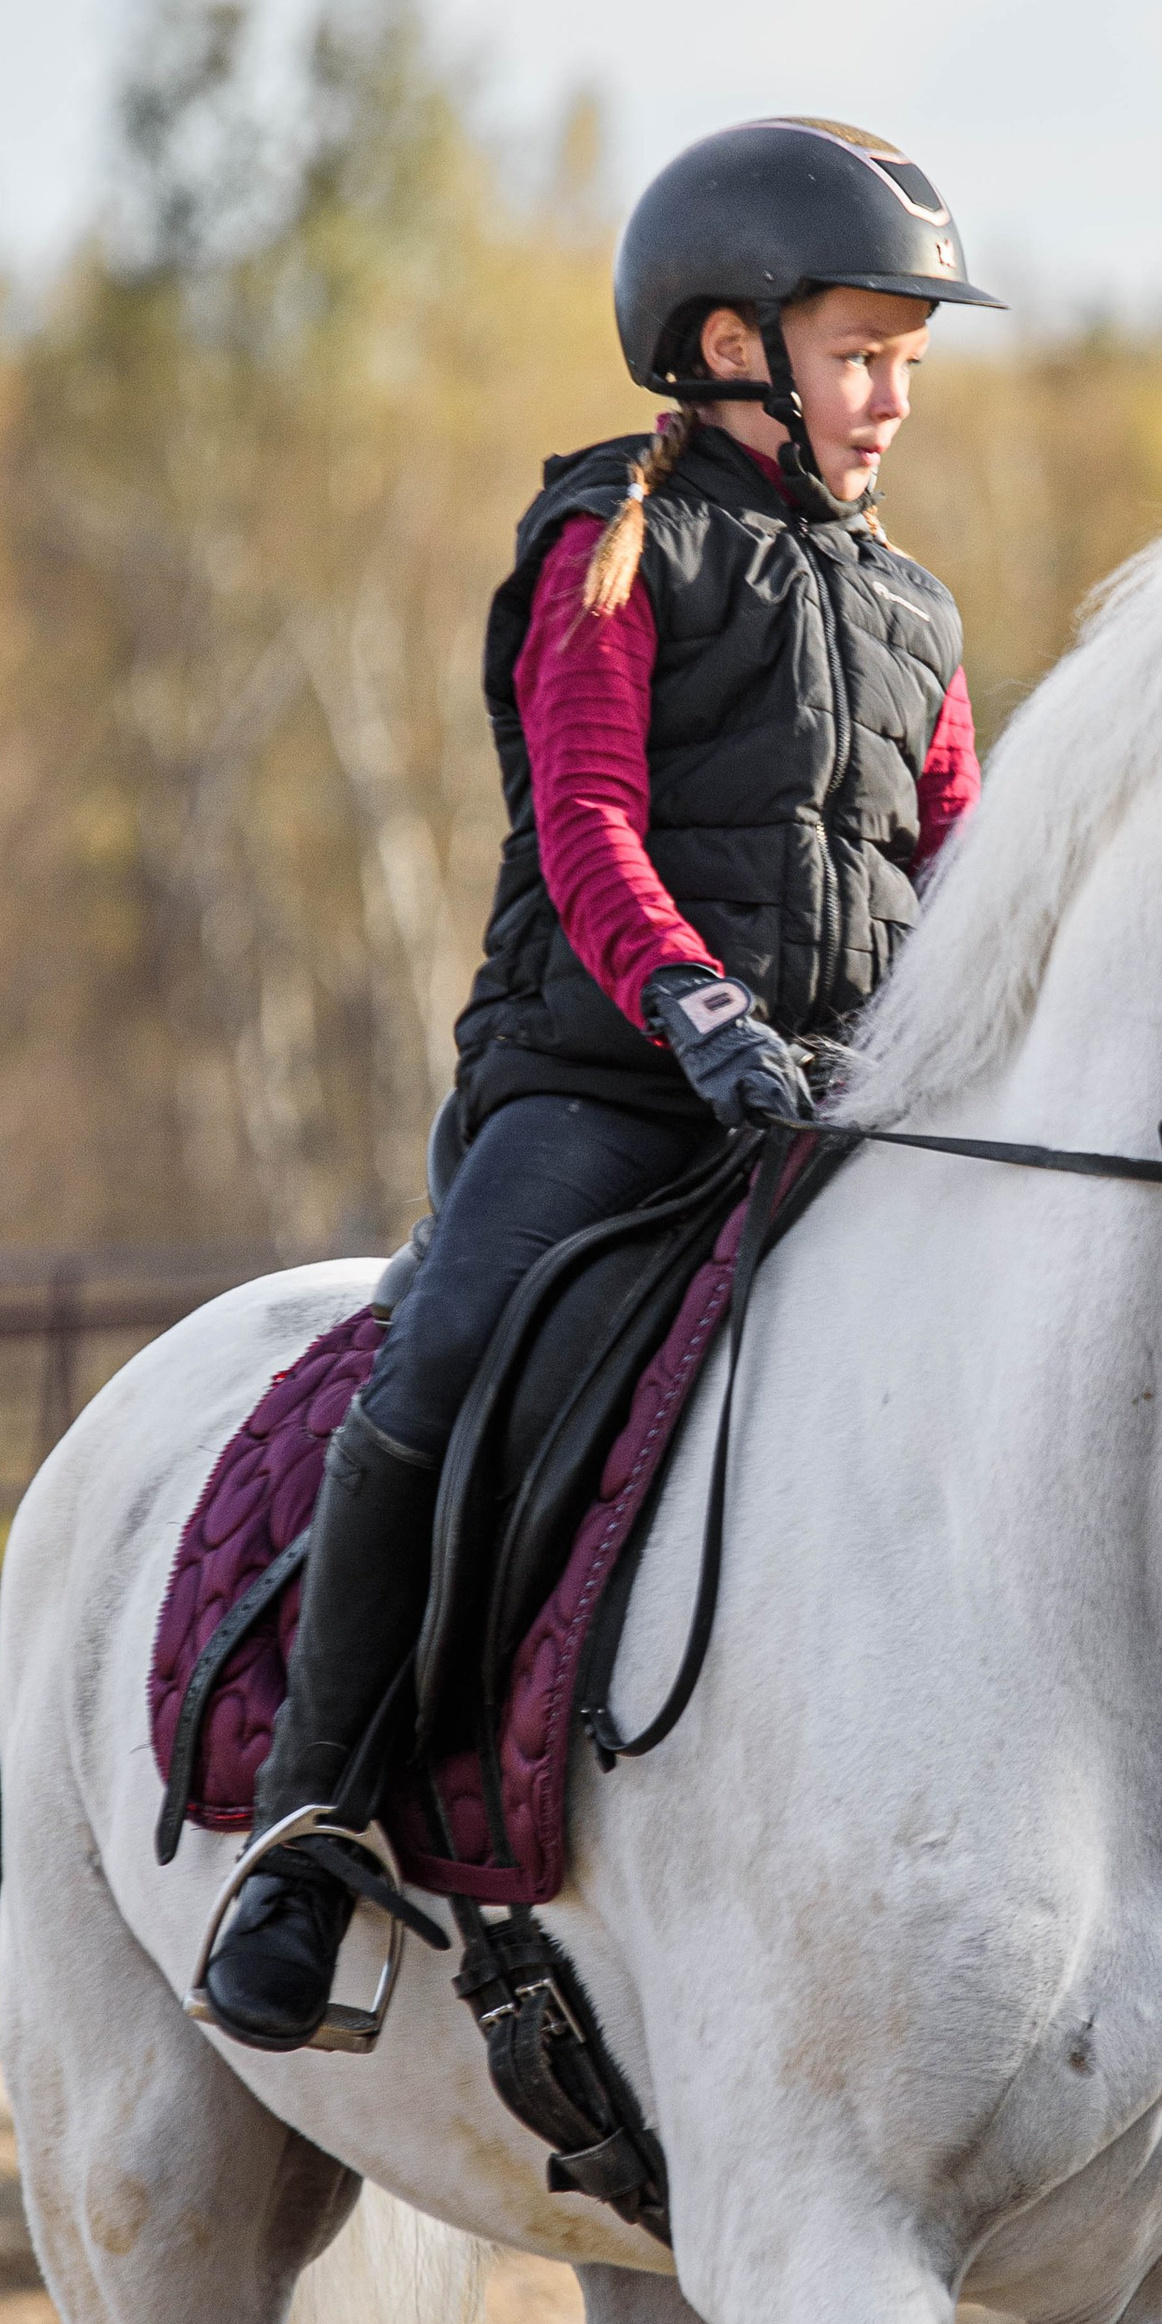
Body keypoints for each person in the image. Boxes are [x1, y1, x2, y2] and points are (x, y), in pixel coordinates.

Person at [198, 118, 998, 2051]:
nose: (894, 397)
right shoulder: (614, 542)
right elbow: (586, 822)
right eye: (863, 355)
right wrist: (695, 1009)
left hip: (834, 1103)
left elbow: (963, 863)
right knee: (437, 1372)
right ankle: (310, 1828)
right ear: (733, 346)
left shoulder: (918, 613)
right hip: (609, 1085)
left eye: (908, 359)